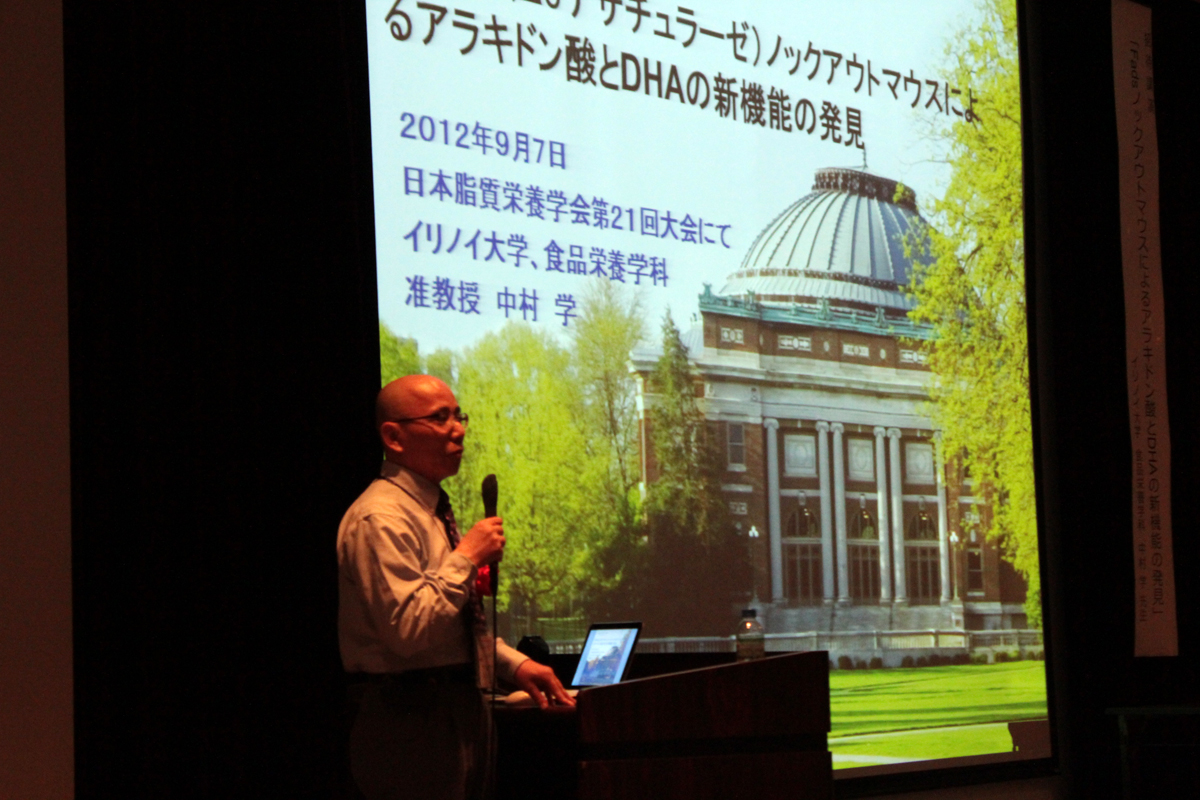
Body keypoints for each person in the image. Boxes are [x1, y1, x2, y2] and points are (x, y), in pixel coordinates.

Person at [338, 374, 573, 800]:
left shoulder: (428, 510)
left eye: (458, 416)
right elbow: (407, 631)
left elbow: (450, 626)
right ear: (393, 437)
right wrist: (466, 557)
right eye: (439, 417)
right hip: (409, 718)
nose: (458, 430)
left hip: (454, 708)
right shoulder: (380, 517)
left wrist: (514, 665)